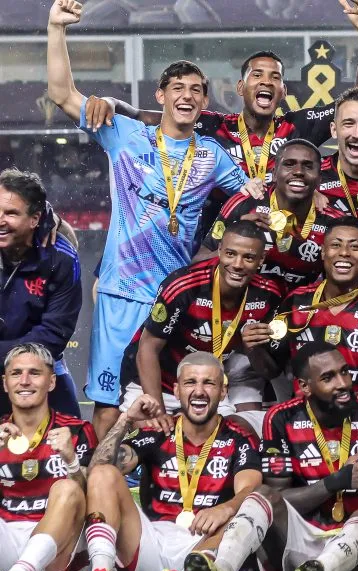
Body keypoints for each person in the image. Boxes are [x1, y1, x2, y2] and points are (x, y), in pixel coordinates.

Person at [46, 0, 262, 439]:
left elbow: (251, 203)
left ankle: (167, 491)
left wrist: (212, 247)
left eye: (196, 89)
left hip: (176, 297)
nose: (187, 95)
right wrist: (56, 29)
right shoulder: (123, 133)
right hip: (122, 293)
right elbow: (62, 94)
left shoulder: (212, 154)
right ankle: (100, 497)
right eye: (178, 87)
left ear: (204, 101)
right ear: (161, 95)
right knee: (108, 407)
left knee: (172, 404)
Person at [82, 0, 358, 183]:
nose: (265, 81)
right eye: (257, 75)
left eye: (274, 77)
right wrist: (109, 102)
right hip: (225, 250)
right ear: (240, 88)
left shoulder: (299, 127)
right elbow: (141, 115)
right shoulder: (212, 127)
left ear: (283, 91)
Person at [184, 343, 358, 571]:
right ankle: (221, 568)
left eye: (344, 372)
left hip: (356, 542)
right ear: (305, 386)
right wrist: (336, 481)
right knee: (261, 495)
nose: (343, 383)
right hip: (299, 536)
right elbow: (281, 498)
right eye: (328, 378)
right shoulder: (281, 418)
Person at [83, 352, 261, 571]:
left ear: (223, 392)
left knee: (250, 507)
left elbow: (250, 490)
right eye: (190, 382)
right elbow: (95, 471)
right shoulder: (159, 432)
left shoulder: (239, 439)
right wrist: (125, 419)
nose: (199, 391)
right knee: (103, 474)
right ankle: (101, 569)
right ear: (176, 391)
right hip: (152, 540)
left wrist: (225, 508)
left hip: (203, 545)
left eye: (209, 383)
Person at [119, 220, 283, 428]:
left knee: (230, 437)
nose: (238, 265)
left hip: (210, 386)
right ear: (220, 251)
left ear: (261, 260)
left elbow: (269, 370)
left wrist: (254, 350)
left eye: (249, 257)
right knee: (149, 432)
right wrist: (157, 410)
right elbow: (148, 348)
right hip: (162, 382)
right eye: (230, 254)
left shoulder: (269, 296)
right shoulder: (183, 286)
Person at [250, 217, 358, 401]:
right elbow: (272, 370)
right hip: (304, 419)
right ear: (323, 252)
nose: (344, 253)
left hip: (357, 418)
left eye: (354, 247)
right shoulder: (295, 302)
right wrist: (253, 348)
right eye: (335, 245)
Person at [0, 344, 96, 571]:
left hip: (59, 541)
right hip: (6, 534)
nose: (24, 381)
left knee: (67, 488)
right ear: (5, 383)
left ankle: (23, 570)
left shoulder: (77, 430)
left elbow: (90, 498)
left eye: (34, 373)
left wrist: (71, 460)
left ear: (51, 382)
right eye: (16, 373)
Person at [197, 139, 344, 288]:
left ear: (319, 179)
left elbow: (340, 285)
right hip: (244, 305)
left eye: (307, 166)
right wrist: (239, 238)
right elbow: (197, 262)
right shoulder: (244, 204)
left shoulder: (334, 223)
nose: (298, 171)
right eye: (289, 164)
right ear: (274, 174)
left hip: (297, 308)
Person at [0, 169, 82, 417]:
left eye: (11, 214)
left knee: (74, 433)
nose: (0, 219)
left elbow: (54, 334)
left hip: (39, 359)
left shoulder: (61, 259)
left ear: (35, 219)